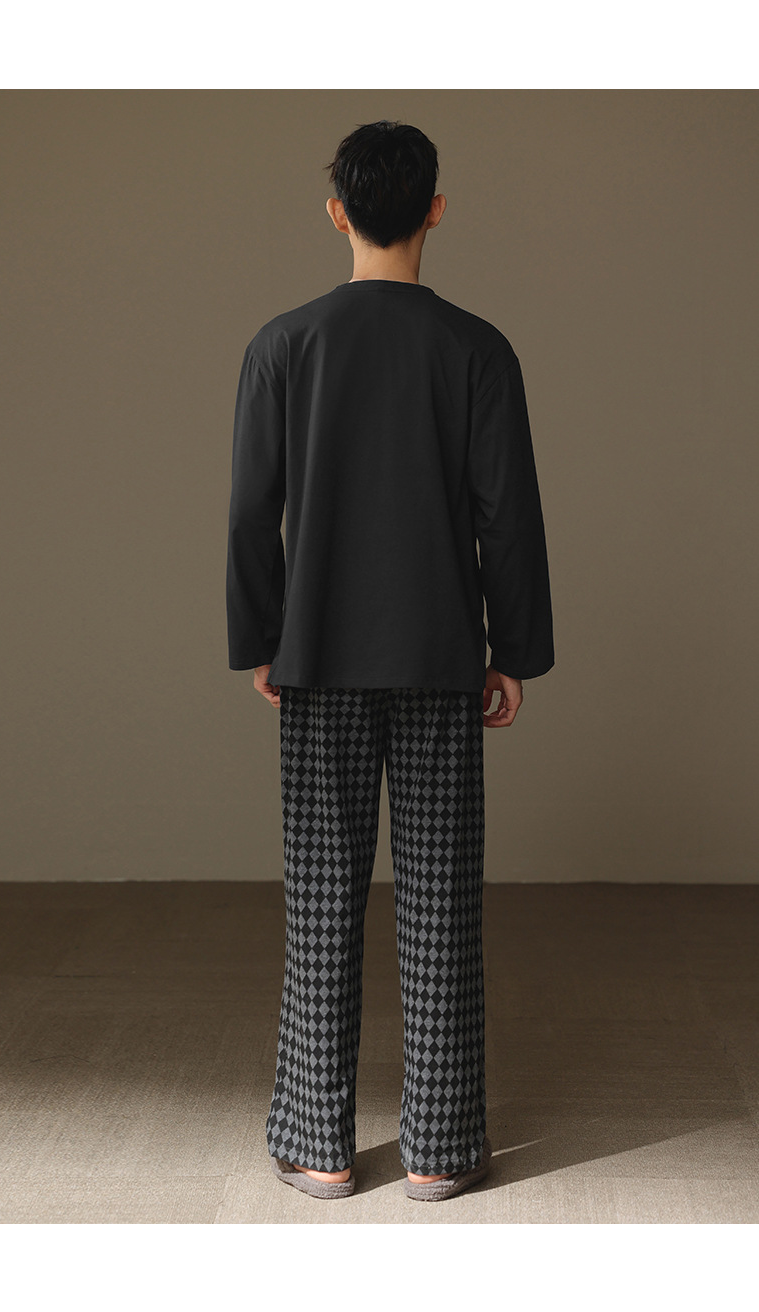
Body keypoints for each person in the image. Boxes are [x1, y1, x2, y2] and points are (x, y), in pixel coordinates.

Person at [226, 120, 554, 1201]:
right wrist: (513, 650)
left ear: (338, 212)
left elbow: (251, 512)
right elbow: (507, 518)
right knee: (441, 902)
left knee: (322, 899)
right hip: (440, 655)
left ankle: (319, 1145)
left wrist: (262, 640)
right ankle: (441, 1147)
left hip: (317, 655)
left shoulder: (282, 344)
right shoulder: (477, 348)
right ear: (435, 210)